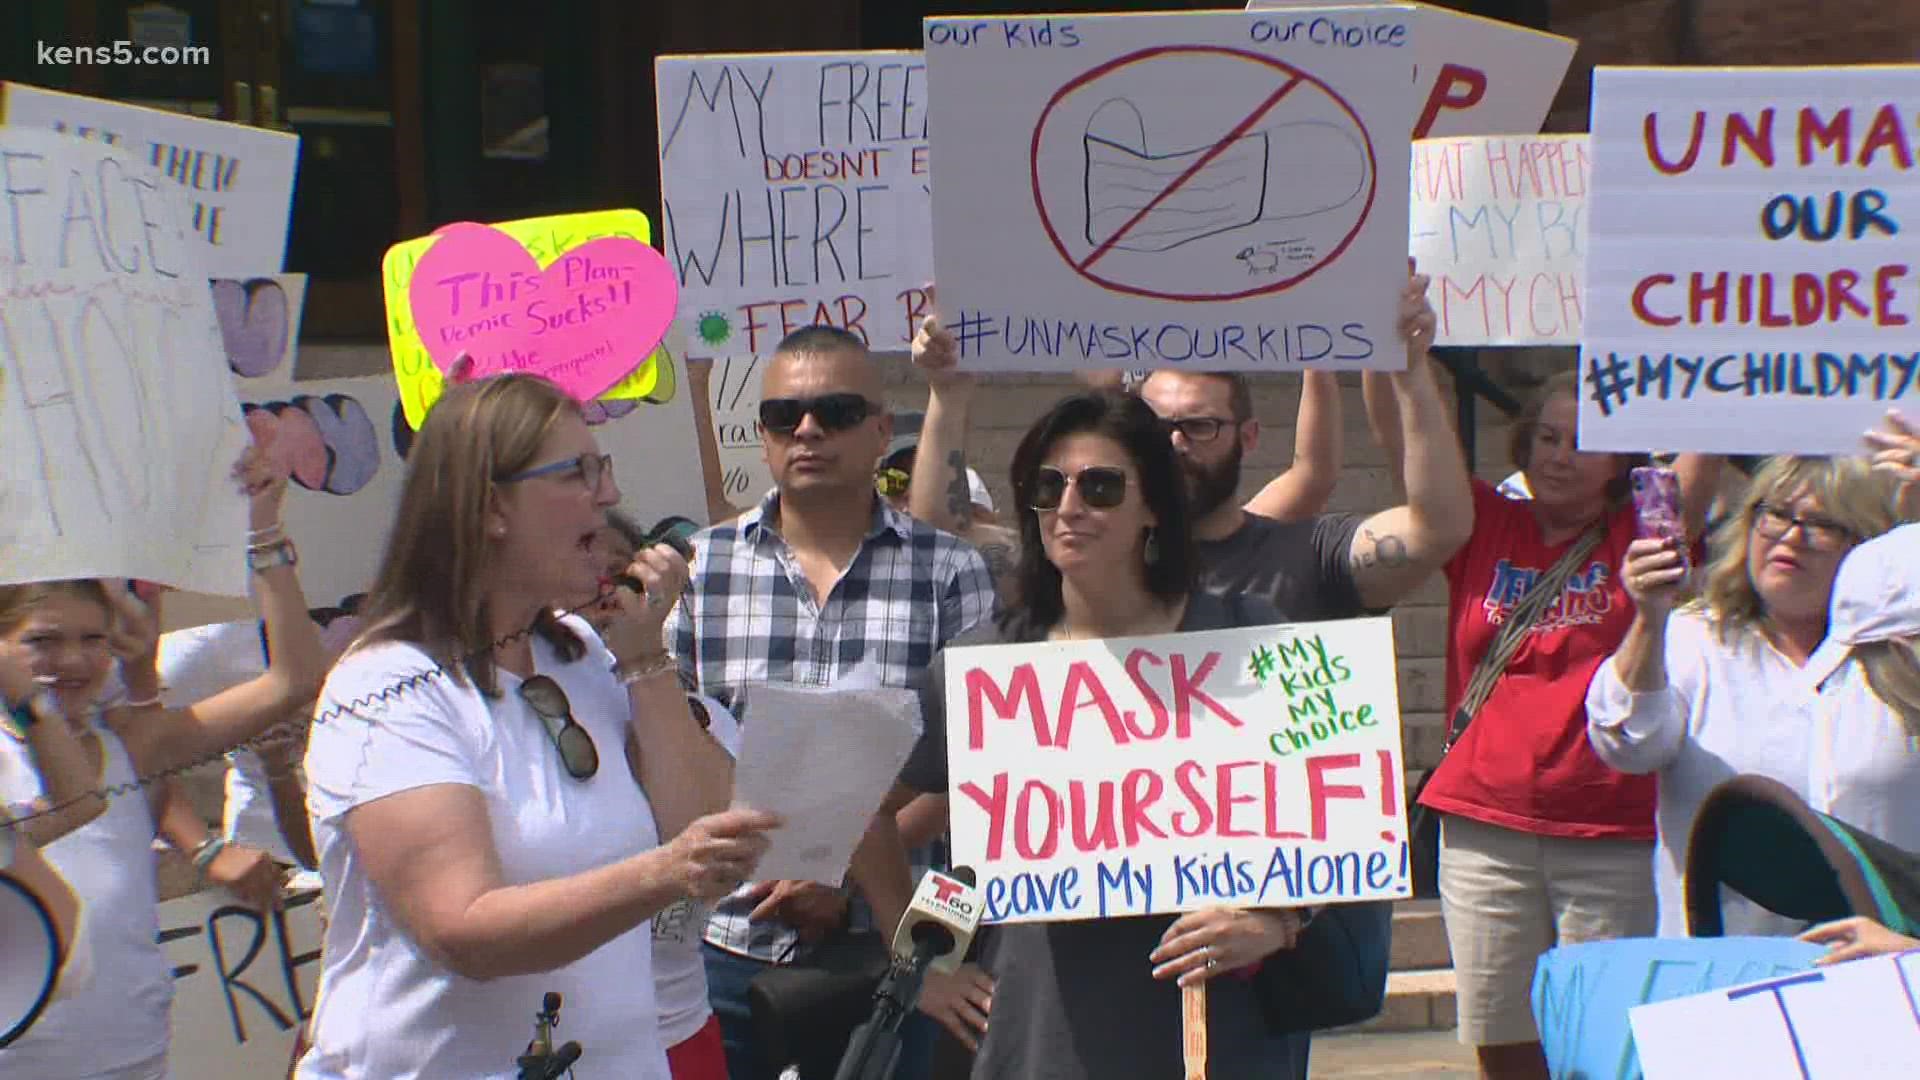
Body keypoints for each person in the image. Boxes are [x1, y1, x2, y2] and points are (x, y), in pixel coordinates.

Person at [297, 374, 777, 1079]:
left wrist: (644, 657)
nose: (608, 496)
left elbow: (707, 828)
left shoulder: (583, 653)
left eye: (603, 468)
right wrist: (663, 872)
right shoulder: (388, 686)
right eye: (579, 473)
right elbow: (464, 931)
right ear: (492, 506)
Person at [889, 389, 1316, 1078]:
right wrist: (922, 968)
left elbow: (1334, 826)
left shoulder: (1247, 636)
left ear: (1153, 506)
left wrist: (1280, 921)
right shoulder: (981, 667)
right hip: (1036, 1032)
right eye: (1048, 487)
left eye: (1100, 486)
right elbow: (867, 816)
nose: (1069, 507)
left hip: (1215, 1032)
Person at [667, 325, 996, 1080]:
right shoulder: (700, 570)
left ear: (881, 430)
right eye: (786, 416)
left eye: (837, 411)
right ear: (763, 437)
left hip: (907, 944)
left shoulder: (950, 571)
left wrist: (836, 869)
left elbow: (970, 766)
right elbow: (675, 746)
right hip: (725, 941)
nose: (808, 430)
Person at [1371, 365, 1719, 1079]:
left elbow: (1707, 446)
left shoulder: (1645, 530)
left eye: (1584, 441)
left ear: (1623, 460)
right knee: (1502, 1040)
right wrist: (1392, 354)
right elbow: (1406, 441)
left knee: (1605, 1044)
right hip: (1483, 831)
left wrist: (1705, 346)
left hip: (1612, 836)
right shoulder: (1481, 523)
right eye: (1548, 437)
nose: (1560, 455)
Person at [0, 444, 331, 1080]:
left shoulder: (132, 747)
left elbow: (293, 678)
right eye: (43, 640)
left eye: (92, 639)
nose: (72, 661)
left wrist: (262, 530)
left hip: (134, 1058)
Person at [910, 264, 1472, 621]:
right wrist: (948, 398)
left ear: (1248, 437)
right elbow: (944, 530)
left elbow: (1437, 526)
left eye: (1199, 426)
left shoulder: (1309, 557)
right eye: (1156, 426)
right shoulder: (1081, 557)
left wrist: (1411, 375)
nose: (1174, 443)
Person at [1589, 442, 1913, 937]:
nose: (1790, 537)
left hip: (1884, 963)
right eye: (1776, 514)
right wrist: (1649, 620)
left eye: (1823, 524)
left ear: (1868, 547)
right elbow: (1626, 742)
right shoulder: (1696, 638)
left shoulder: (1902, 657)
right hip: (1732, 971)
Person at [585, 513, 740, 1080]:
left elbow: (710, 852)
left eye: (614, 582)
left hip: (676, 1035)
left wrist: (641, 656)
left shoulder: (701, 719)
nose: (597, 603)